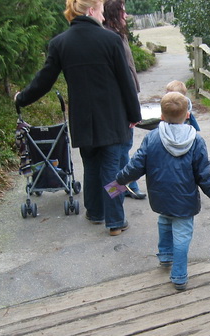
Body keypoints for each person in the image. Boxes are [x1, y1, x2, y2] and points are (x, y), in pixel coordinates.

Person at [15, 0, 142, 236]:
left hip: (83, 121)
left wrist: (21, 98)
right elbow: (125, 81)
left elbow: (44, 79)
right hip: (112, 119)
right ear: (91, 10)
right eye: (102, 12)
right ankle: (115, 221)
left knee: (92, 166)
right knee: (112, 172)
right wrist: (135, 114)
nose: (104, 17)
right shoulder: (110, 40)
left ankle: (95, 213)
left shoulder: (60, 43)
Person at [115, 92, 210, 291]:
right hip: (184, 201)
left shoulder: (152, 138)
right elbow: (204, 176)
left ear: (162, 116)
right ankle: (179, 276)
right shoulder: (197, 142)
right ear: (188, 115)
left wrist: (118, 182)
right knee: (181, 235)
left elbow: (136, 166)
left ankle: (165, 256)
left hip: (160, 196)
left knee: (164, 221)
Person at [103, 0, 146, 200]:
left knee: (124, 149)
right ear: (114, 13)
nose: (126, 15)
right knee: (119, 152)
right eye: (123, 11)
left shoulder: (119, 35)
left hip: (127, 97)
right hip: (120, 102)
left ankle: (126, 188)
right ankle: (118, 191)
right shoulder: (110, 38)